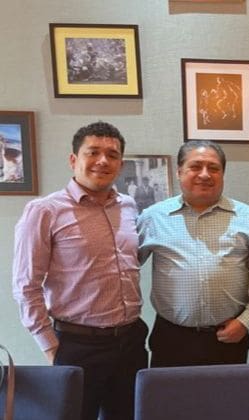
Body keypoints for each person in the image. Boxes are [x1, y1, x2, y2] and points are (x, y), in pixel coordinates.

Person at [12, 121, 148, 420]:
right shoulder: (44, 211)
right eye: (93, 152)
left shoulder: (128, 206)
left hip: (130, 342)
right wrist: (52, 349)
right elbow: (26, 286)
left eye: (112, 155)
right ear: (74, 160)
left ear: (120, 164)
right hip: (78, 346)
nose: (103, 160)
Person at [137, 140, 249, 367]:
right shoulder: (153, 218)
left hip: (229, 339)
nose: (205, 174)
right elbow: (123, 270)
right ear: (179, 172)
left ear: (223, 174)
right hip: (171, 340)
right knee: (170, 393)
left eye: (214, 168)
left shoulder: (248, 217)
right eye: (195, 166)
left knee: (228, 392)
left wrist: (246, 321)